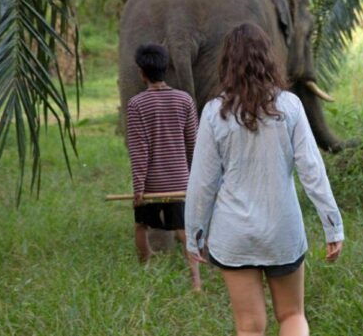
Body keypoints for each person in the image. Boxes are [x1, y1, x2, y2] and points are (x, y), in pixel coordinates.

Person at [185, 23, 344, 336]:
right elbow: (312, 171)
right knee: (292, 315)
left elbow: (202, 182)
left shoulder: (214, 113)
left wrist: (195, 234)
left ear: (226, 64)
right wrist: (333, 225)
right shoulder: (290, 106)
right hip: (282, 231)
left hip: (234, 235)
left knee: (249, 327)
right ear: (269, 60)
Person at [125, 43, 201, 291]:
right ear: (167, 68)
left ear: (141, 72)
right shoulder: (184, 100)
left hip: (151, 183)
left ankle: (144, 270)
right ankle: (196, 283)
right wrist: (195, 179)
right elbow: (194, 144)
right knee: (183, 230)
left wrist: (139, 188)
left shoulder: (136, 105)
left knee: (141, 226)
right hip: (180, 181)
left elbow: (139, 150)